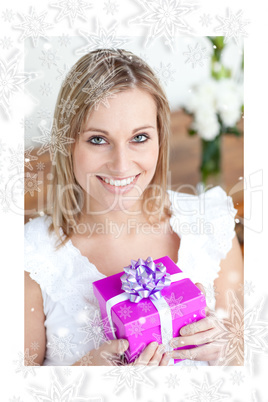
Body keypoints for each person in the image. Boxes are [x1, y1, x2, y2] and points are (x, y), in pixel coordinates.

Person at [24, 48, 243, 367]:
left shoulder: (211, 225)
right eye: (98, 139)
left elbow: (250, 371)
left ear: (160, 140)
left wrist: (226, 351)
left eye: (139, 137)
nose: (121, 165)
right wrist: (84, 378)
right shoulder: (30, 256)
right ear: (66, 143)